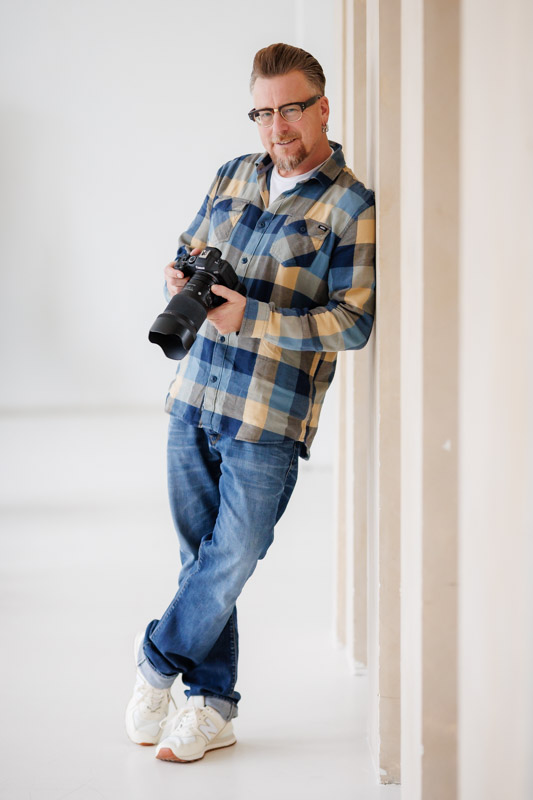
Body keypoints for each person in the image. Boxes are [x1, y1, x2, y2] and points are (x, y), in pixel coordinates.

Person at [126, 42, 375, 763]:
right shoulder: (234, 173)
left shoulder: (351, 204)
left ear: (322, 106)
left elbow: (352, 321)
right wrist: (180, 272)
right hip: (195, 393)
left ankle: (154, 664)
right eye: (263, 112)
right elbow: (190, 243)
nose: (276, 128)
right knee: (198, 560)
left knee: (231, 556)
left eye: (291, 108)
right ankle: (211, 707)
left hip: (268, 415)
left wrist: (254, 318)